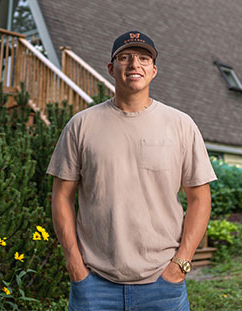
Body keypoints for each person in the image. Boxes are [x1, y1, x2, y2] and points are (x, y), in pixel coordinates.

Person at [47, 30, 217, 311]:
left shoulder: (181, 125)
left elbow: (200, 198)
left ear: (153, 70)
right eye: (124, 58)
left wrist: (181, 264)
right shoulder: (81, 125)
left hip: (164, 284)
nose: (134, 64)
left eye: (142, 58)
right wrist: (75, 266)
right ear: (112, 69)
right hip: (94, 285)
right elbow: (61, 197)